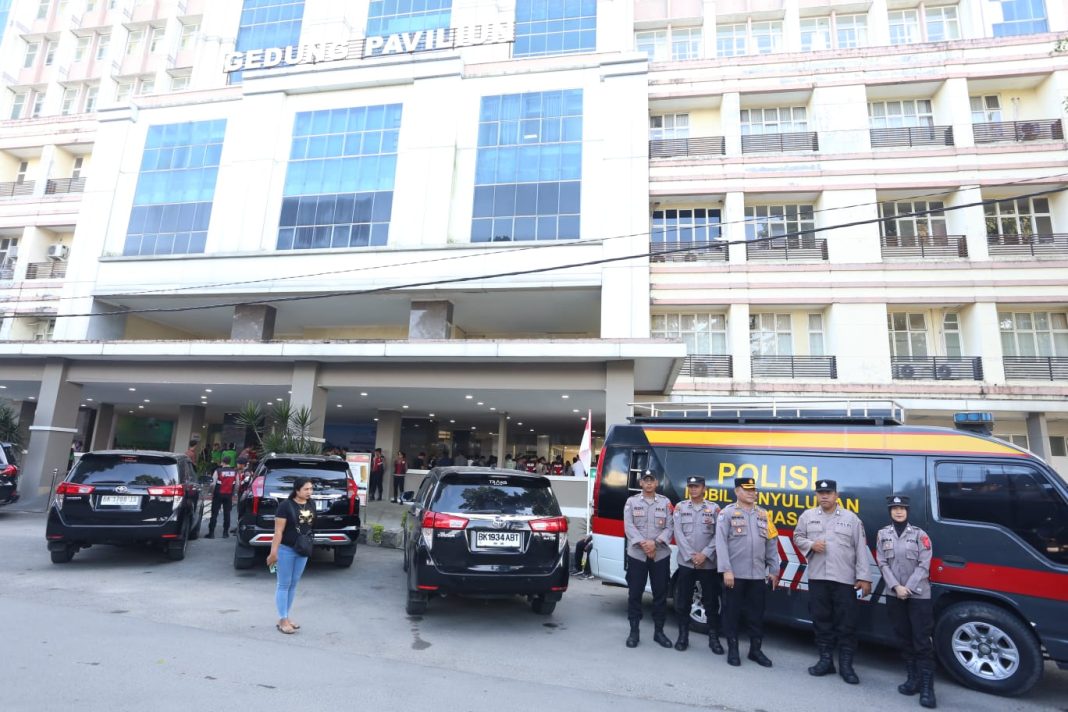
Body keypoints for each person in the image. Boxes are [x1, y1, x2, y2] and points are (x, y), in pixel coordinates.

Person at [793, 479, 873, 684]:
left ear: (837, 495)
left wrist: (864, 577)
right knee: (821, 621)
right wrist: (811, 544)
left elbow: (860, 549)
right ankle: (825, 661)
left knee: (847, 624)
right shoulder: (807, 516)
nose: (824, 496)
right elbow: (797, 537)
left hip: (844, 580)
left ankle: (846, 666)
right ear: (816, 495)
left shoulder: (851, 519)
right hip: (818, 578)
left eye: (828, 492)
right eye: (820, 493)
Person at [876, 495, 937, 709]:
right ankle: (913, 679)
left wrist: (907, 588)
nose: (898, 512)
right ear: (890, 512)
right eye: (894, 509)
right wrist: (896, 587)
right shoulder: (883, 534)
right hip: (895, 594)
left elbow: (924, 565)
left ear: (908, 511)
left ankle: (928, 687)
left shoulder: (920, 535)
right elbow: (882, 563)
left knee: (922, 641)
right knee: (904, 639)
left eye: (902, 508)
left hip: (918, 595)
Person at [716, 476, 780, 667]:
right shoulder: (727, 514)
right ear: (737, 492)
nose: (752, 493)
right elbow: (720, 543)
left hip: (757, 575)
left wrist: (774, 569)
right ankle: (733, 650)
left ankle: (755, 650)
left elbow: (771, 543)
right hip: (735, 575)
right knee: (732, 613)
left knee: (756, 614)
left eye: (754, 490)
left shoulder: (763, 514)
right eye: (748, 490)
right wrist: (726, 570)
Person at [622, 471, 674, 649]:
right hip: (637, 555)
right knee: (634, 594)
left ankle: (659, 632)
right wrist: (645, 545)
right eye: (646, 481)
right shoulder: (632, 502)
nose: (649, 484)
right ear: (641, 483)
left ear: (656, 483)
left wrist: (655, 543)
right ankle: (634, 631)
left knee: (660, 595)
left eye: (652, 480)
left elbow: (670, 526)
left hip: (660, 555)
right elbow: (628, 526)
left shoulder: (665, 502)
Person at [673, 476, 724, 655]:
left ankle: (714, 638)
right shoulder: (680, 507)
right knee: (683, 601)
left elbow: (719, 535)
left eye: (697, 486)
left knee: (710, 602)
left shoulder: (714, 509)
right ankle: (683, 636)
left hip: (708, 563)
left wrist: (705, 554)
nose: (693, 489)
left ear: (704, 488)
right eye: (691, 486)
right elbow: (678, 533)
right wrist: (690, 555)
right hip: (686, 563)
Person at [267, 477, 315, 635]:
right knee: (283, 584)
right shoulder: (285, 506)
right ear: (297, 490)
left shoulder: (311, 504)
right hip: (286, 550)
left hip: (302, 550)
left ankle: (286, 617)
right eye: (306, 489)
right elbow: (278, 531)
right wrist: (273, 553)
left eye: (311, 489)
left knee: (293, 584)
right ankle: (282, 619)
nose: (310, 492)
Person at [206, 455, 238, 538]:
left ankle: (211, 533)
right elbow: (237, 484)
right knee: (227, 514)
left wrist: (210, 492)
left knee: (214, 513)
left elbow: (213, 483)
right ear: (229, 462)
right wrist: (234, 493)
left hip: (218, 494)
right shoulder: (235, 472)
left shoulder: (218, 471)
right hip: (228, 495)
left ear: (222, 462)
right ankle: (225, 533)